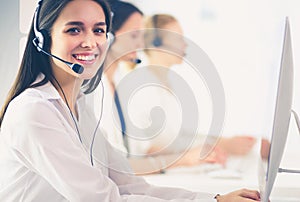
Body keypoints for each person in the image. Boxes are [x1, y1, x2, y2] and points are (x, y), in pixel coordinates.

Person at [0, 0, 261, 201]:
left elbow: (129, 185)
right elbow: (104, 198)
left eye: (99, 30)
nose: (90, 42)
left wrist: (214, 198)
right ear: (43, 39)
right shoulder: (34, 111)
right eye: (74, 29)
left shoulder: (80, 106)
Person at [96, 1, 226, 174]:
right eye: (134, 35)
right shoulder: (97, 92)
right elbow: (122, 164)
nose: (141, 44)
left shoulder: (117, 84)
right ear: (108, 37)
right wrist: (184, 159)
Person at [125, 14, 257, 165]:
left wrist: (222, 143)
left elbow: (180, 137)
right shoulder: (141, 85)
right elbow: (143, 149)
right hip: (158, 170)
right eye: (178, 38)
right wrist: (194, 154)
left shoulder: (168, 82)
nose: (185, 44)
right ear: (156, 43)